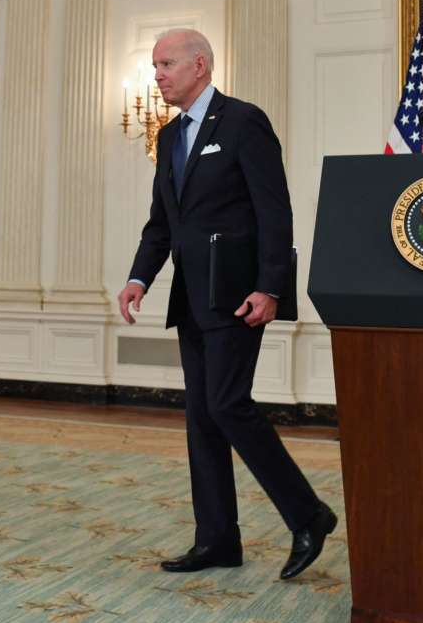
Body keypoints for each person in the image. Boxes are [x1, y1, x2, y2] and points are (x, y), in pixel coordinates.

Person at [116, 28, 335, 580]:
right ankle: (216, 539)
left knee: (227, 405)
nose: (158, 75)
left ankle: (309, 515)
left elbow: (274, 211)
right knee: (201, 418)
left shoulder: (243, 122)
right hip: (192, 298)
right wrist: (140, 276)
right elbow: (162, 223)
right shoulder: (168, 139)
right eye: (155, 66)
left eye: (166, 64)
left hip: (239, 296)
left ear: (201, 65)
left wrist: (271, 287)